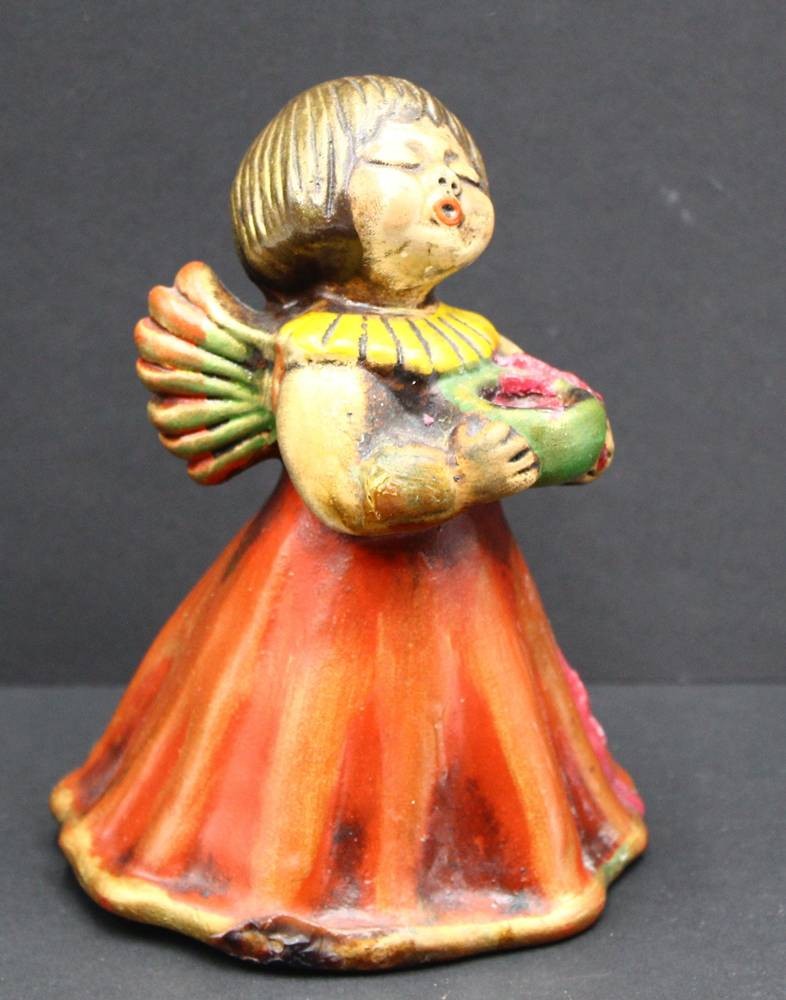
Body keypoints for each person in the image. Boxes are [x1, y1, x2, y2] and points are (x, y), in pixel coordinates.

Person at [51, 75, 646, 970]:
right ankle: (313, 879)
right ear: (315, 202)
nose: (450, 184)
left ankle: (490, 859)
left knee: (475, 722)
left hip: (465, 591)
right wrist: (460, 473)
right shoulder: (321, 353)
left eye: (464, 170)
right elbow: (343, 487)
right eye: (410, 163)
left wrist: (576, 431)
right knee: (327, 744)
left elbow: (551, 398)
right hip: (335, 606)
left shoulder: (470, 336)